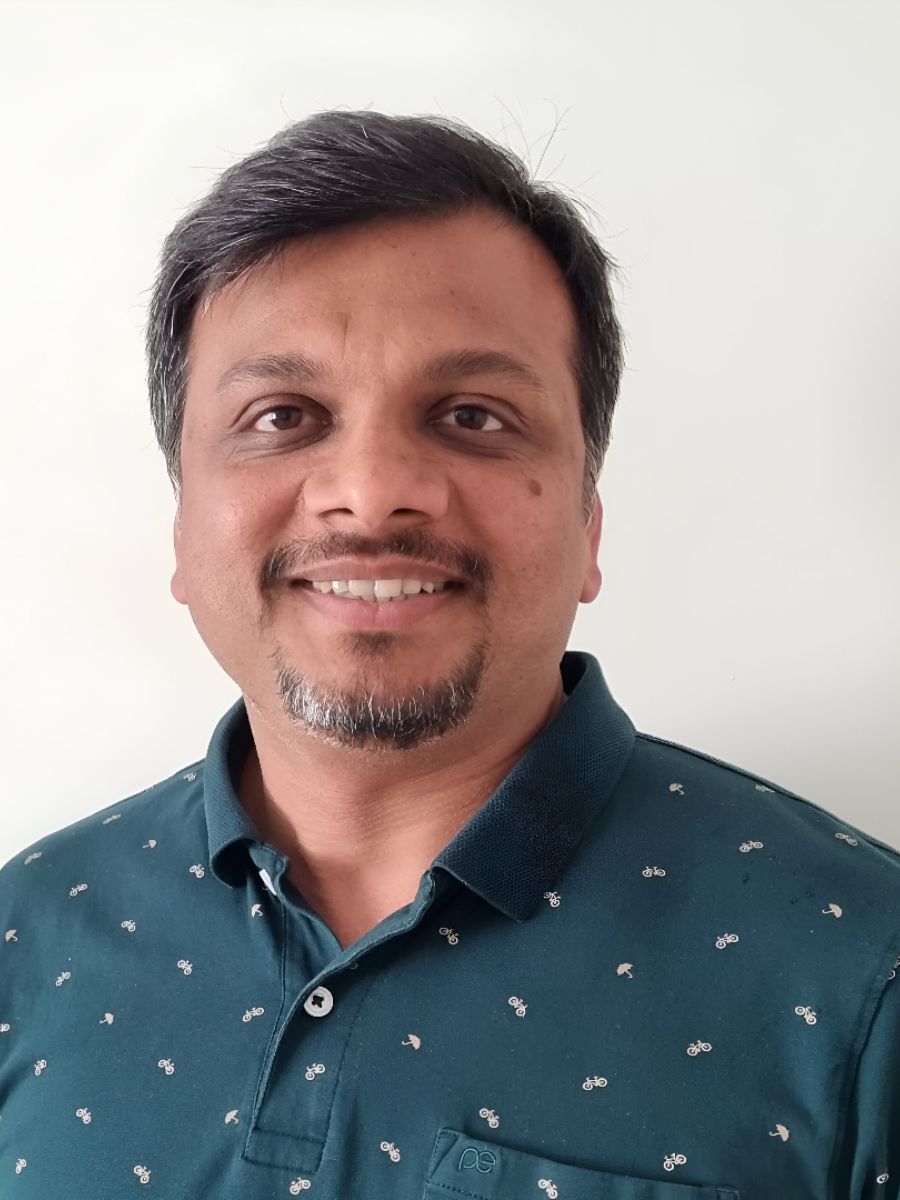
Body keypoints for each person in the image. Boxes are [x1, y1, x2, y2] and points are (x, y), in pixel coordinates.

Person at [0, 110, 897, 1200]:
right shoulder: (25, 935)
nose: (372, 490)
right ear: (184, 532)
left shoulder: (863, 975)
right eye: (284, 415)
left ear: (589, 530)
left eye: (473, 415)